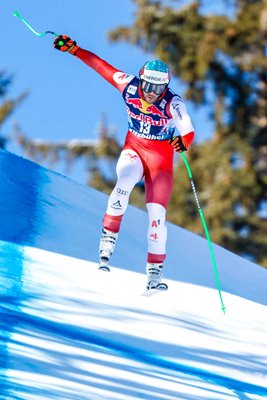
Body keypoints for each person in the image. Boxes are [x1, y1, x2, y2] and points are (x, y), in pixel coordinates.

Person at [53, 35, 195, 290]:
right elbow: (101, 66)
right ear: (141, 80)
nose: (152, 93)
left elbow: (188, 128)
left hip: (161, 161)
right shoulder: (129, 85)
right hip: (136, 148)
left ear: (166, 87)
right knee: (125, 180)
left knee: (157, 214)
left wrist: (183, 142)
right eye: (148, 86)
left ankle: (155, 270)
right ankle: (108, 237)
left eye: (158, 89)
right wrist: (75, 50)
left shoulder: (173, 102)